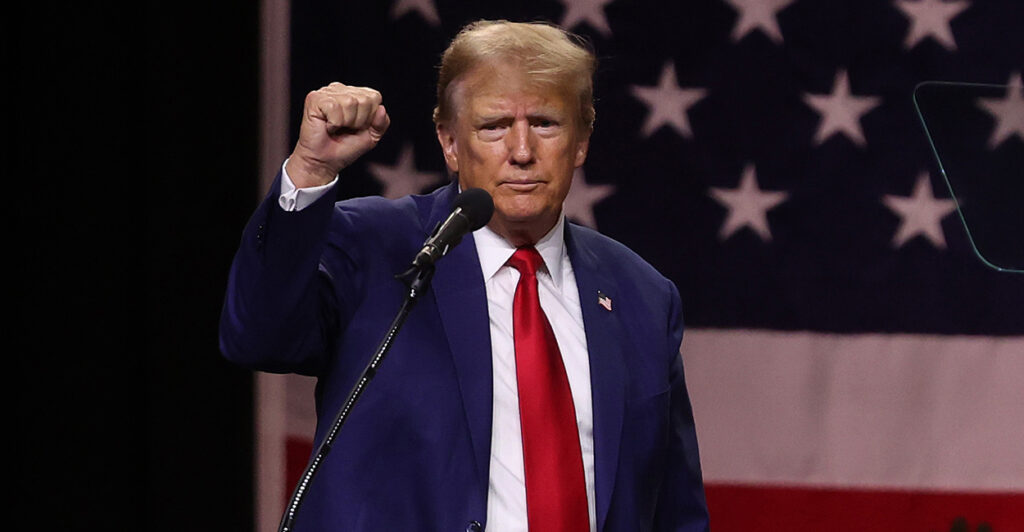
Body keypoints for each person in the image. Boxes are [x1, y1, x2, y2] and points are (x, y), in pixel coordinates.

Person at [220, 20, 708, 532]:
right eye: (493, 126)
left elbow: (676, 511)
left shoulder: (643, 296)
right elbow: (257, 336)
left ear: (582, 141)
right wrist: (312, 169)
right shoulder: (374, 246)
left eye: (545, 123)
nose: (521, 152)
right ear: (449, 142)